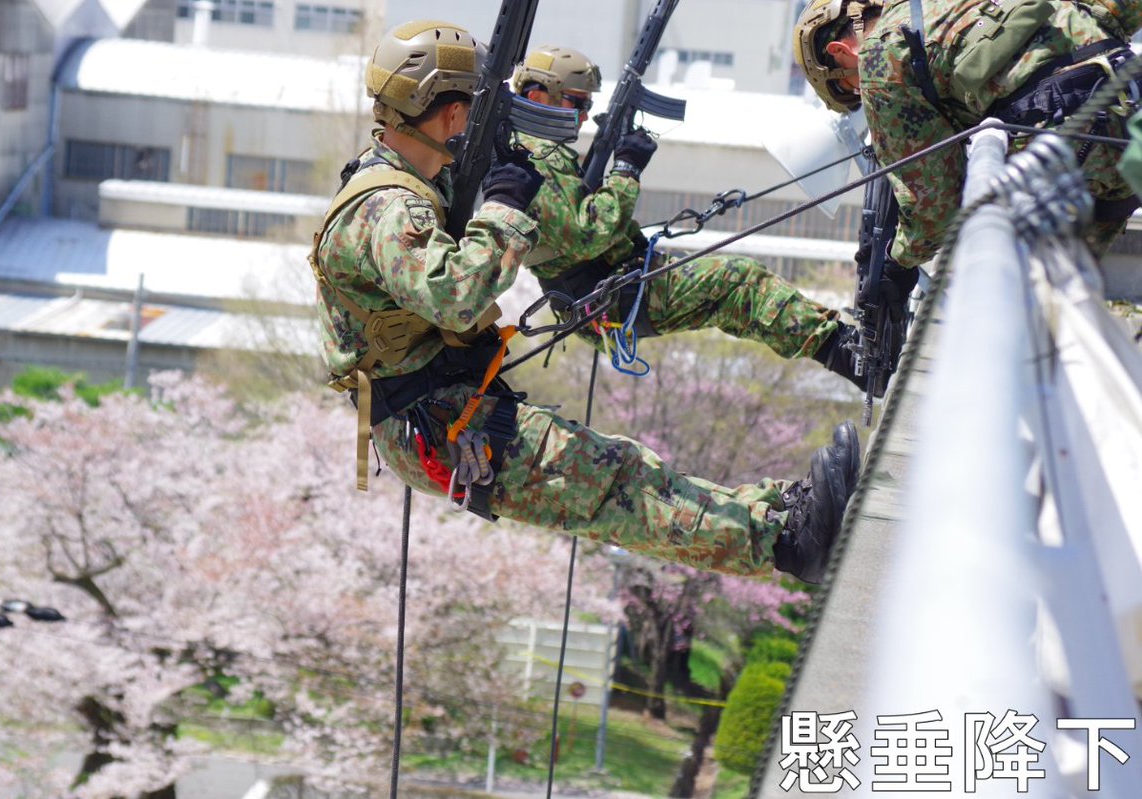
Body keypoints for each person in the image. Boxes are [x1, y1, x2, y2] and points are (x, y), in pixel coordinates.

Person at [310, 20, 861, 584]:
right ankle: (785, 539)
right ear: (453, 115)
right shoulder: (384, 208)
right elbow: (456, 296)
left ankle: (775, 517)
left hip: (448, 405)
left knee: (615, 474)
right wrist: (504, 207)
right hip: (433, 423)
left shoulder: (419, 184)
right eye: (478, 110)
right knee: (614, 484)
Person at [508, 45, 867, 390]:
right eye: (576, 102)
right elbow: (590, 235)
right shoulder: (534, 160)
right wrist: (625, 169)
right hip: (605, 296)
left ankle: (848, 355)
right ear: (538, 97)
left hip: (611, 287)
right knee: (740, 281)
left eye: (587, 105)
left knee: (735, 303)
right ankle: (845, 352)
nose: (584, 115)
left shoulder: (541, 156)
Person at [793, 0, 1142, 308]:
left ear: (840, 51)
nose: (862, 93)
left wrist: (897, 262)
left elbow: (935, 211)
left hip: (1068, 150)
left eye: (850, 87)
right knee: (1060, 308)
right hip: (1131, 117)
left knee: (1014, 315)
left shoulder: (880, 55)